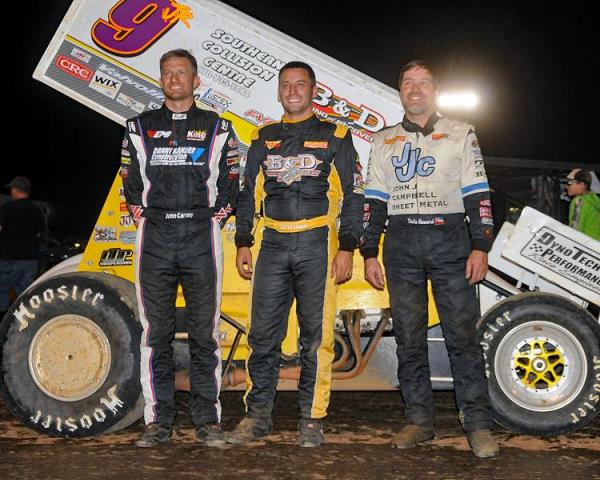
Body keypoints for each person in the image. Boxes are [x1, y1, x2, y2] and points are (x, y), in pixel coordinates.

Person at [361, 60, 498, 458]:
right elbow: (374, 202)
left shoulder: (461, 132)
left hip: (451, 240)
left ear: (434, 90)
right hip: (401, 244)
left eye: (423, 83)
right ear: (400, 91)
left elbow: (478, 195)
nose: (415, 89)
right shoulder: (382, 140)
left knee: (462, 337)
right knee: (408, 337)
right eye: (408, 83)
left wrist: (480, 245)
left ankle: (477, 425)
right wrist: (370, 252)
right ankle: (419, 420)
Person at [229, 61, 364, 447]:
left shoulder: (336, 135)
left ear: (313, 90)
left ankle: (311, 419)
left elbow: (354, 195)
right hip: (271, 243)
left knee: (315, 339)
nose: (292, 91)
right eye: (285, 85)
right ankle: (257, 417)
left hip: (317, 242)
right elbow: (246, 196)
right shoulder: (262, 137)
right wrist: (243, 241)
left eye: (300, 84)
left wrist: (348, 247)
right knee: (263, 336)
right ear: (278, 91)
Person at [122, 49, 240, 448]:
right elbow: (130, 181)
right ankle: (159, 421)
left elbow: (232, 181)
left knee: (206, 334)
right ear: (161, 81)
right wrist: (148, 216)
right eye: (168, 73)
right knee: (156, 334)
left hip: (200, 237)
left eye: (182, 73)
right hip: (154, 238)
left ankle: (208, 421)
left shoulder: (218, 127)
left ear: (196, 81)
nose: (175, 79)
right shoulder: (138, 126)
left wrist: (213, 216)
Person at [0, 176, 44, 316]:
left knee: (1, 289)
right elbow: (39, 233)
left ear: (14, 189)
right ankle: (24, 321)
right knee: (25, 294)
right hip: (30, 260)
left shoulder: (7, 208)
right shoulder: (37, 211)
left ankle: (3, 321)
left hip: (9, 259)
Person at [565, 169, 600, 240]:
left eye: (570, 183)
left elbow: (575, 228)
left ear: (582, 184)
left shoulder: (579, 201)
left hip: (587, 244)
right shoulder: (595, 199)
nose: (567, 186)